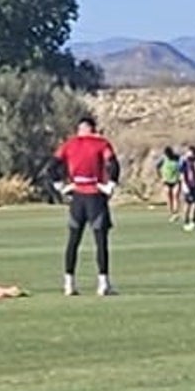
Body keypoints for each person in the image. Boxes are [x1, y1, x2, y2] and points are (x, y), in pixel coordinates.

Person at [51, 115, 120, 296]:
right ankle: (103, 283)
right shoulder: (101, 144)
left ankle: (69, 283)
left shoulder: (69, 144)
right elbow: (113, 164)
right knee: (100, 242)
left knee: (73, 241)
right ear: (93, 128)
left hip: (77, 196)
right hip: (95, 195)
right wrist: (110, 186)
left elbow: (53, 165)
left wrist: (61, 187)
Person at [179, 145, 195, 231]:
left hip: (194, 184)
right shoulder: (183, 161)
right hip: (187, 185)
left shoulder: (191, 160)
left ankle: (194, 220)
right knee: (188, 202)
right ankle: (186, 222)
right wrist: (185, 186)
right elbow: (181, 175)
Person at [157, 146, 181, 221]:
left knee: (175, 195)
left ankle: (176, 212)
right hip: (167, 180)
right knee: (169, 197)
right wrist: (161, 177)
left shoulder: (177, 158)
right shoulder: (163, 159)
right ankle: (171, 213)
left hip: (176, 180)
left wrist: (181, 175)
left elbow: (183, 166)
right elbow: (157, 167)